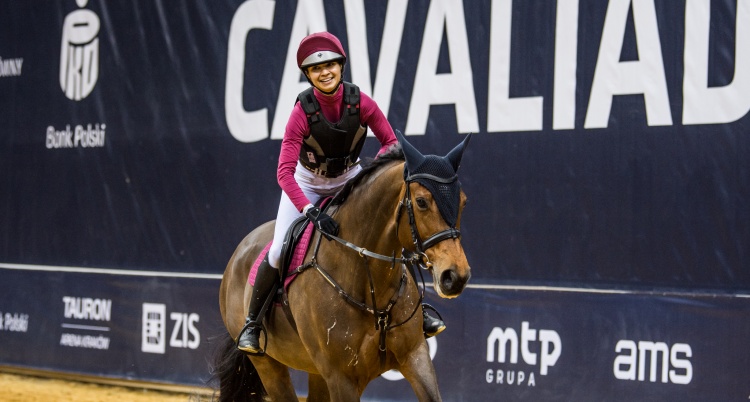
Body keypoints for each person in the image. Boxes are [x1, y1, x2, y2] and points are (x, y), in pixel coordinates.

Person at [237, 32, 445, 354]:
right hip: (307, 182)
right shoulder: (301, 113)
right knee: (278, 249)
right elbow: (283, 173)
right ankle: (253, 323)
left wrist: (370, 178)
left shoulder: (361, 102)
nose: (325, 72)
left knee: (390, 234)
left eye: (330, 65)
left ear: (341, 66)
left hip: (350, 178)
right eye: (316, 69)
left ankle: (421, 311)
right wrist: (310, 210)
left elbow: (391, 143)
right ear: (308, 75)